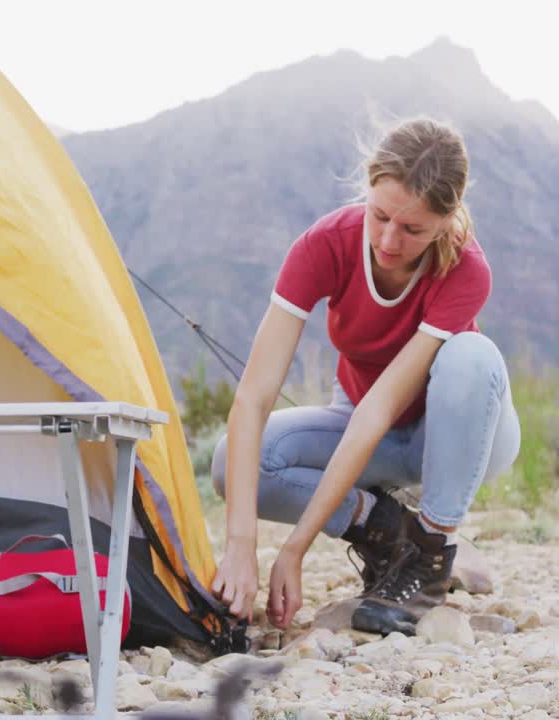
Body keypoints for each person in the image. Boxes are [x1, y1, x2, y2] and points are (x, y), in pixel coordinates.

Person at [209, 116, 521, 636]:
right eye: (380, 217)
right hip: (360, 421)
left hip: (458, 438)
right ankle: (386, 530)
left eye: (413, 229)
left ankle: (429, 556)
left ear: (447, 221)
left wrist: (295, 549)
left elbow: (382, 409)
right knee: (231, 461)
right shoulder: (323, 245)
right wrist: (242, 546)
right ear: (368, 189)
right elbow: (254, 399)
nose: (389, 241)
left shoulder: (467, 268)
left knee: (472, 355)